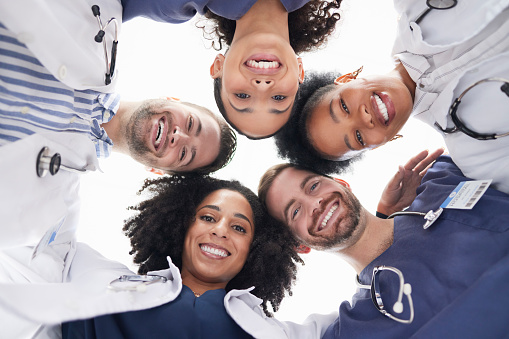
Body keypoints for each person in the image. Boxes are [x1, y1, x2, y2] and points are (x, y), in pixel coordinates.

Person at [0, 176, 336, 338]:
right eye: (208, 217)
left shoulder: (276, 333)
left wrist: (384, 217)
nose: (220, 231)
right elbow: (46, 221)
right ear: (182, 226)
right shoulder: (101, 276)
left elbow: (365, 320)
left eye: (239, 228)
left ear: (255, 250)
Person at [257, 153, 509, 338]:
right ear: (300, 247)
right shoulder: (354, 329)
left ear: (342, 183)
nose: (315, 204)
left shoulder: (443, 179)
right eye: (296, 211)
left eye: (313, 186)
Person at [273, 0, 509, 194]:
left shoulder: (412, 6)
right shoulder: (479, 157)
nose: (363, 118)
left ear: (346, 79)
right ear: (381, 144)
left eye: (343, 106)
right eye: (358, 137)